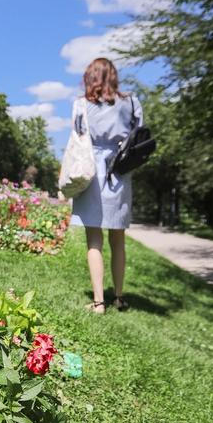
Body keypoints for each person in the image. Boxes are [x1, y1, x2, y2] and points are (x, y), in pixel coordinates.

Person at [69, 57, 143, 314]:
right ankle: (119, 298)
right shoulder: (131, 101)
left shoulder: (81, 104)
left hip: (91, 170)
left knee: (94, 239)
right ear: (113, 76)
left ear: (90, 77)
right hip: (120, 171)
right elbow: (139, 133)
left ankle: (99, 301)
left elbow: (78, 135)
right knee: (118, 238)